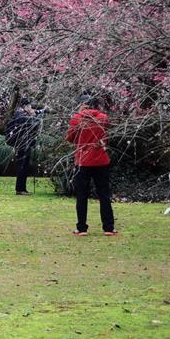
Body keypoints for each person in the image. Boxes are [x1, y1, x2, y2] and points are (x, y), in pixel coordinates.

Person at [65, 95, 116, 236]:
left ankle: (81, 228)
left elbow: (70, 138)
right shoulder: (103, 118)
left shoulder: (77, 119)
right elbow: (107, 136)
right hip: (101, 160)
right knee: (104, 194)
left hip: (83, 160)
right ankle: (108, 227)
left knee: (82, 195)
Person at [5, 99, 40, 195]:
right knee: (21, 166)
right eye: (29, 106)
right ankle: (19, 189)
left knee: (25, 166)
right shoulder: (20, 115)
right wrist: (34, 116)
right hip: (22, 144)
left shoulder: (24, 115)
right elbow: (30, 123)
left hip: (26, 143)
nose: (31, 108)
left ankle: (23, 188)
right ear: (25, 106)